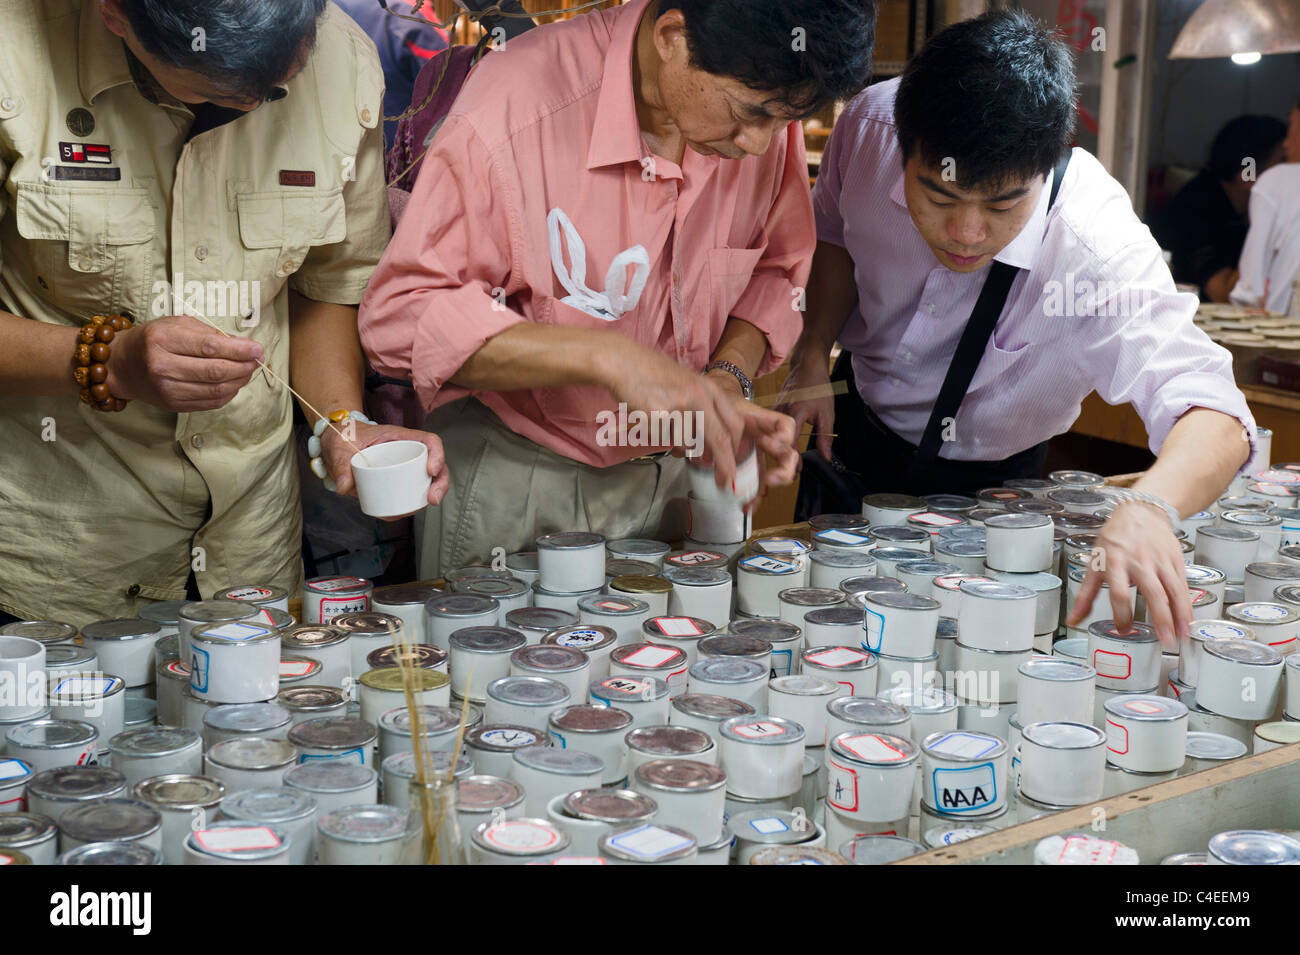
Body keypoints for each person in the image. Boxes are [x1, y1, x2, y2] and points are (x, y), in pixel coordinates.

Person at [778, 9, 1254, 647]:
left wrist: (1150, 506)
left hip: (999, 489)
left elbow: (1217, 415)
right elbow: (833, 233)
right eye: (940, 198)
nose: (967, 234)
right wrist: (812, 351)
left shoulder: (1095, 245)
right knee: (829, 640)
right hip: (856, 440)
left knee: (968, 656)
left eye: (1003, 204)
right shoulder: (866, 128)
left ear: (1050, 157)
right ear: (904, 145)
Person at [359, 0, 877, 577]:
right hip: (524, 479)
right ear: (673, 36)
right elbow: (403, 317)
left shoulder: (759, 105)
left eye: (783, 123)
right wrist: (602, 356)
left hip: (681, 481)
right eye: (749, 114)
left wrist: (727, 378)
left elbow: (777, 271)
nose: (759, 145)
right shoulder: (518, 103)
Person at [0, 0, 446, 626]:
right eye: (219, 86)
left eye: (282, 81)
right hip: (64, 556)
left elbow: (325, 288)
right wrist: (108, 362)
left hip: (251, 553)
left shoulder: (345, 58)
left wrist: (345, 426)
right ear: (115, 15)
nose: (257, 103)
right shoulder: (11, 54)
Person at [1154, 114, 1286, 302]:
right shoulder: (1197, 207)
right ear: (1247, 174)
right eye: (1281, 164)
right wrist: (1266, 227)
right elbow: (1222, 292)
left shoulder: (1236, 209)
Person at [333, 0, 450, 150]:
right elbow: (450, 92)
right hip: (396, 161)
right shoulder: (409, 14)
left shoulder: (317, 9)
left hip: (330, 158)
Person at [1230, 97, 1300, 316]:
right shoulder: (1259, 172)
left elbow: (1249, 292)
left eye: (1291, 128)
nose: (1286, 145)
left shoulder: (1275, 182)